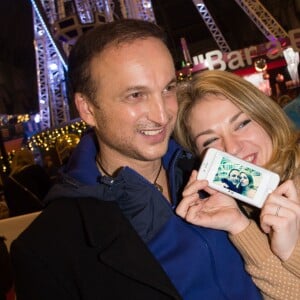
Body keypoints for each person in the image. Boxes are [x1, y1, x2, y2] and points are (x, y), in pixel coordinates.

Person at [10, 20, 262, 300]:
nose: (162, 114)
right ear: (88, 108)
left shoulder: (215, 161)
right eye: (136, 95)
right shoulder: (47, 250)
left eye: (168, 88)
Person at [174, 69, 300, 299]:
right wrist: (239, 226)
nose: (232, 148)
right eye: (210, 141)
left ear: (265, 116)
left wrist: (292, 250)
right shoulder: (245, 209)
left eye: (241, 124)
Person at [3, 148, 52, 217]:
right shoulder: (36, 170)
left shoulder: (9, 180)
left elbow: (10, 205)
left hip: (21, 219)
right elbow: (49, 191)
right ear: (30, 158)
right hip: (40, 214)